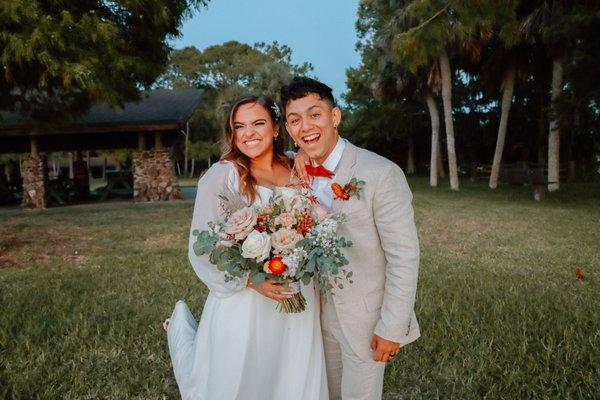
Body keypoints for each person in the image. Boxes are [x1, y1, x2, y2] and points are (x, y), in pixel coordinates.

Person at [165, 94, 328, 400]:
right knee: (241, 375)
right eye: (240, 126)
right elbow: (203, 245)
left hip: (295, 289)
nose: (248, 133)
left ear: (276, 128)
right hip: (246, 297)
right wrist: (252, 280)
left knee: (290, 372)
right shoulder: (223, 175)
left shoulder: (298, 167)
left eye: (258, 123)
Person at [281, 77, 420, 400]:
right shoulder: (295, 169)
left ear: (335, 117)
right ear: (288, 128)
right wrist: (298, 157)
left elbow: (404, 255)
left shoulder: (380, 173)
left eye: (315, 114)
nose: (306, 126)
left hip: (365, 319)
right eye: (295, 120)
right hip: (314, 317)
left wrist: (391, 327)